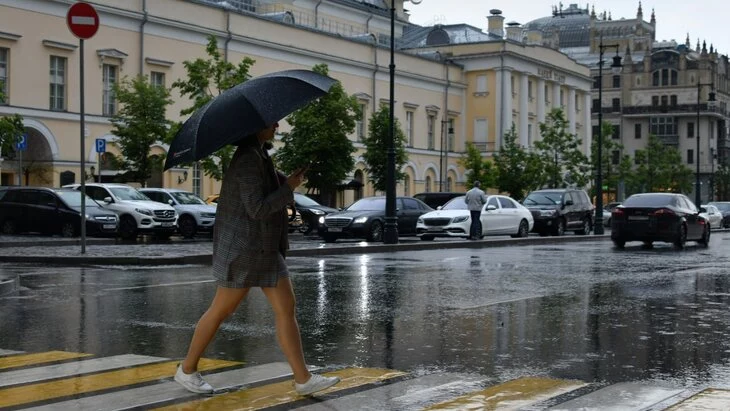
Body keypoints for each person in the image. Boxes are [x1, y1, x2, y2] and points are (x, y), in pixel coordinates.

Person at [174, 122, 340, 396]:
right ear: (254, 126)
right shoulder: (248, 159)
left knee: (286, 307)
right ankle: (187, 369)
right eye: (270, 122)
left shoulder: (259, 154)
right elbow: (256, 208)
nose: (276, 124)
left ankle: (303, 378)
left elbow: (264, 191)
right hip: (245, 248)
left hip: (263, 248)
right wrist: (288, 188)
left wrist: (286, 181)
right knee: (221, 310)